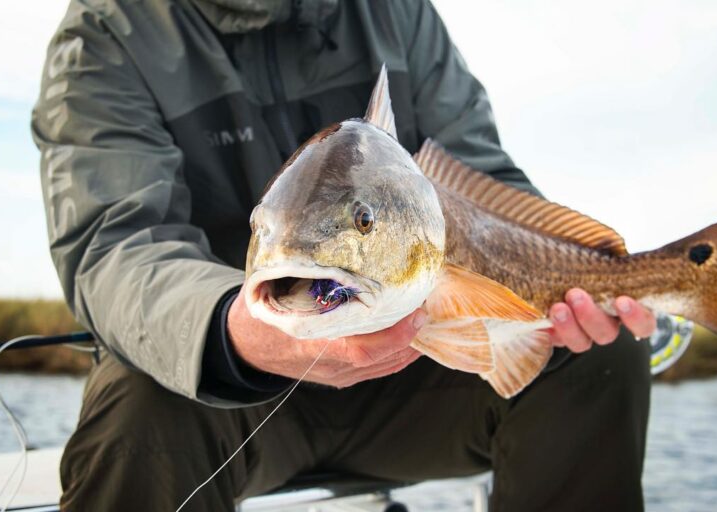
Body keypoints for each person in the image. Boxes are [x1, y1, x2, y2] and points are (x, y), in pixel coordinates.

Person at [32, 0, 656, 510]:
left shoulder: (399, 11)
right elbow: (116, 242)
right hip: (234, 390)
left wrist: (570, 275)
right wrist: (229, 335)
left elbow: (476, 180)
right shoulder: (104, 33)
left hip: (419, 368)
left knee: (598, 355)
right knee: (137, 406)